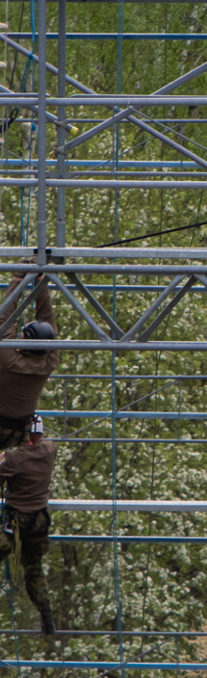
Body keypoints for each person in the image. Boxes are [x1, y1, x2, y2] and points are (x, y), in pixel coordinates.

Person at [0, 415, 57, 635]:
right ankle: (46, 616)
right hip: (40, 520)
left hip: (17, 523)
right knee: (34, 569)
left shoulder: (17, 458)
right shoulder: (50, 449)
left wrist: (5, 458)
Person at [0, 269, 59, 449]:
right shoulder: (48, 362)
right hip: (18, 432)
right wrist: (39, 280)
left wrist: (19, 279)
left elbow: (5, 321)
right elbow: (47, 320)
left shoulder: (11, 361)